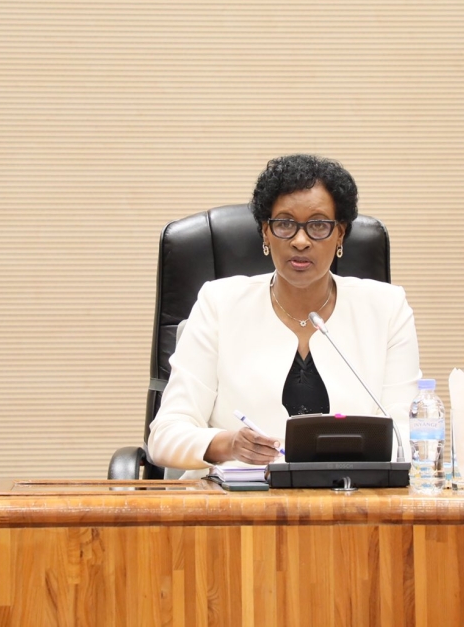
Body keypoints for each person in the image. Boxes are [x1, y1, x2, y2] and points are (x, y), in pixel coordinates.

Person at [147, 154, 421, 475]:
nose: (300, 241)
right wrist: (228, 444)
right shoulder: (219, 303)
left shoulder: (387, 308)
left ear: (341, 234)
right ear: (265, 232)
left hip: (349, 503)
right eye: (285, 224)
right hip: (238, 508)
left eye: (318, 225)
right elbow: (165, 435)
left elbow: (408, 436)